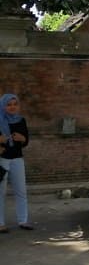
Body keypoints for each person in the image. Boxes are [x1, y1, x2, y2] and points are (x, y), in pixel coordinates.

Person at [0, 93, 32, 233]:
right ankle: (0, 223)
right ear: (3, 106)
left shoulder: (21, 120)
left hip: (17, 158)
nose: (12, 107)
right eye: (9, 104)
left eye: (15, 104)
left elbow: (26, 141)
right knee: (0, 192)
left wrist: (22, 138)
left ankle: (23, 220)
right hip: (2, 159)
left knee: (21, 190)